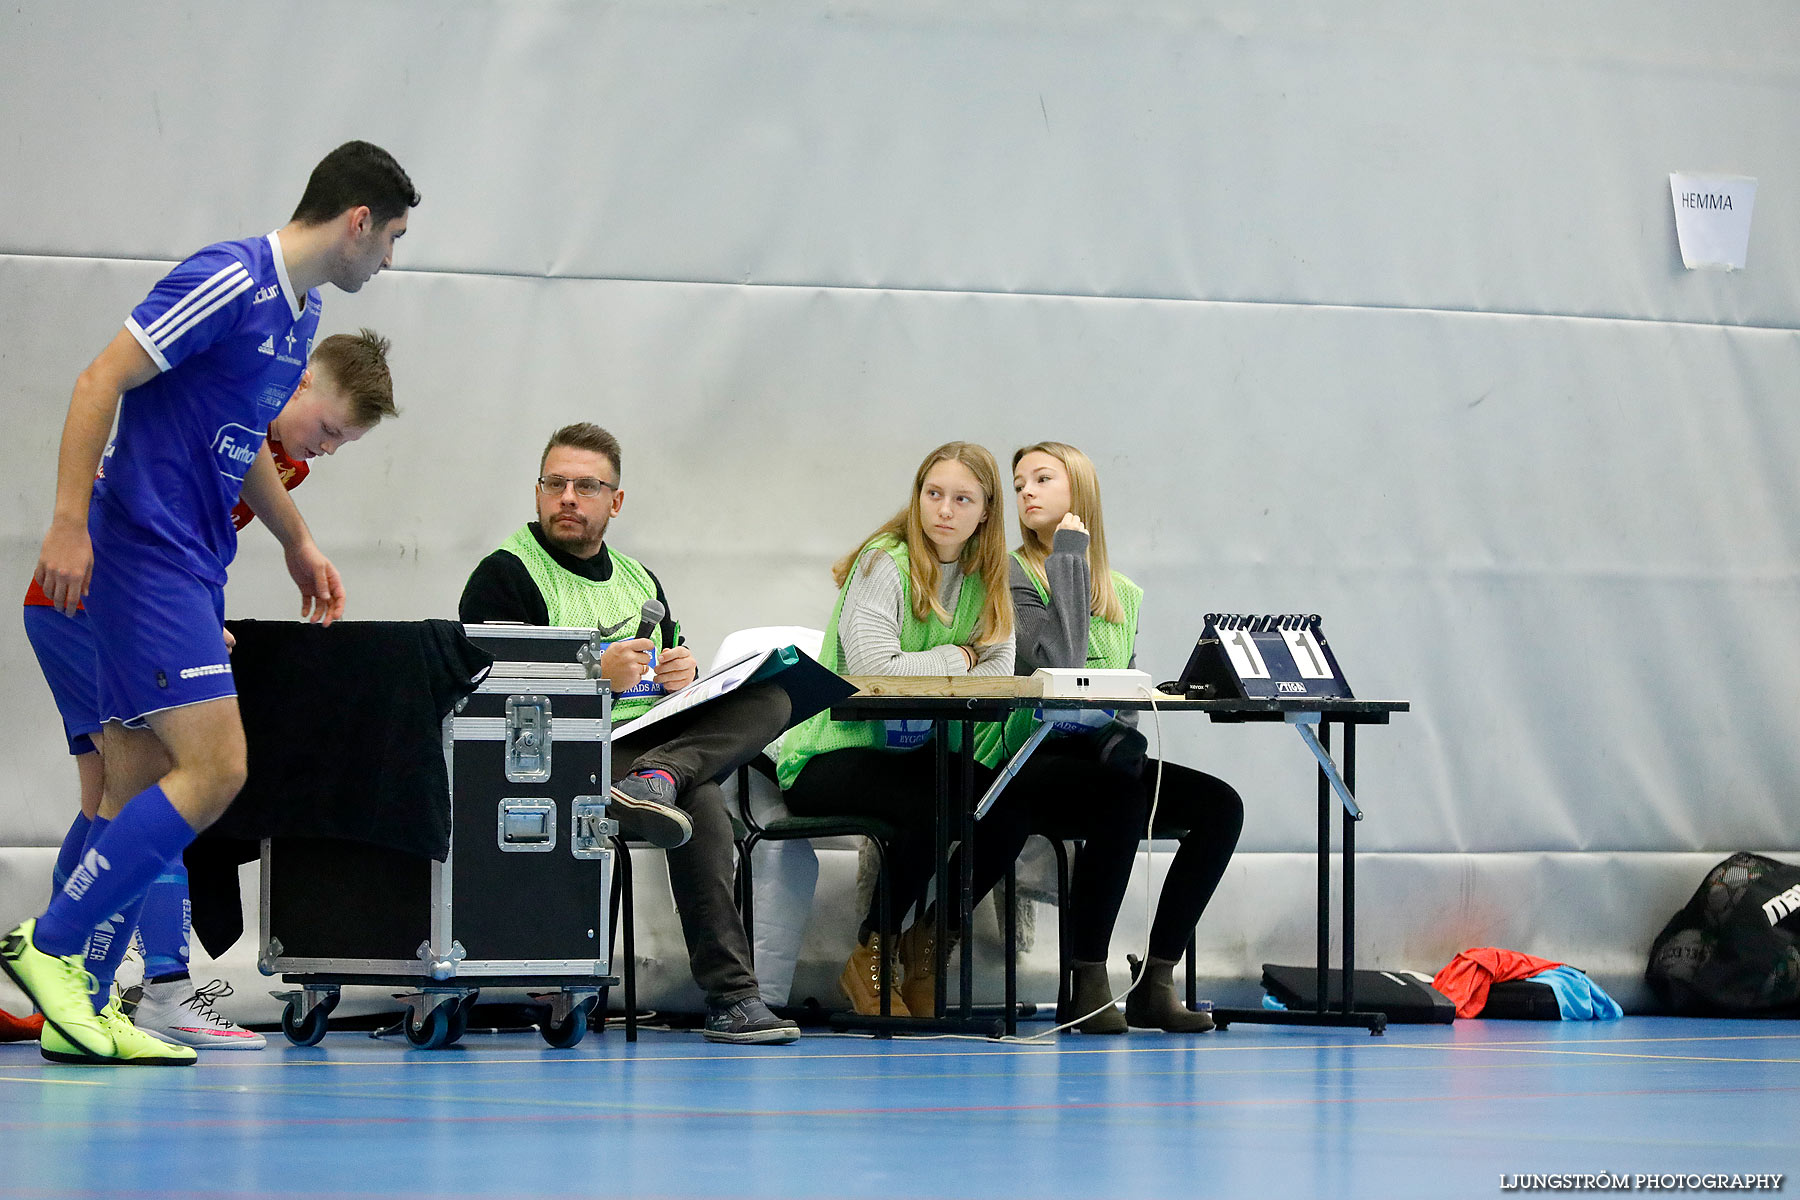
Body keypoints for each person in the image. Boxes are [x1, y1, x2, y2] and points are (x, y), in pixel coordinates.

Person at [1, 141, 418, 1065]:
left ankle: (87, 1010)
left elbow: (243, 447)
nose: (389, 260)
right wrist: (69, 521)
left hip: (189, 565)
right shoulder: (230, 278)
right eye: (390, 239)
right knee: (217, 769)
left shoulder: (298, 316)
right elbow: (97, 379)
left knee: (143, 780)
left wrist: (297, 542)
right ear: (357, 222)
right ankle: (56, 947)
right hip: (141, 553)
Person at [459, 422, 801, 1046]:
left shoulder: (641, 580)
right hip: (560, 759)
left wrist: (685, 674)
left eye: (586, 486)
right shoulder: (505, 575)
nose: (568, 497)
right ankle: (733, 998)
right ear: (536, 493)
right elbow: (492, 699)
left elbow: (664, 665)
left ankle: (659, 778)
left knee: (774, 696)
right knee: (701, 804)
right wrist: (596, 676)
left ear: (615, 501)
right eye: (555, 483)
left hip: (646, 751)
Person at [1004, 441, 1244, 1032]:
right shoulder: (1006, 575)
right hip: (1032, 755)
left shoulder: (1125, 594)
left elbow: (1127, 699)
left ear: (1078, 493)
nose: (1025, 493)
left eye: (1041, 479)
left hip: (1102, 754)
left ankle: (1155, 979)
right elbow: (1060, 660)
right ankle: (1087, 978)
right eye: (1018, 484)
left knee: (1220, 806)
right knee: (1121, 795)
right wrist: (1067, 556)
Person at [776, 442, 1018, 1018]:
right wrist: (960, 656)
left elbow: (1002, 671)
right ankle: (873, 950)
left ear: (985, 511)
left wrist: (959, 662)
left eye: (962, 499)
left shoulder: (989, 575)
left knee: (1009, 808)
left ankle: (930, 944)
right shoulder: (884, 561)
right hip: (829, 755)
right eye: (933, 494)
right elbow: (873, 669)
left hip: (917, 759)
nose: (944, 510)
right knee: (932, 801)